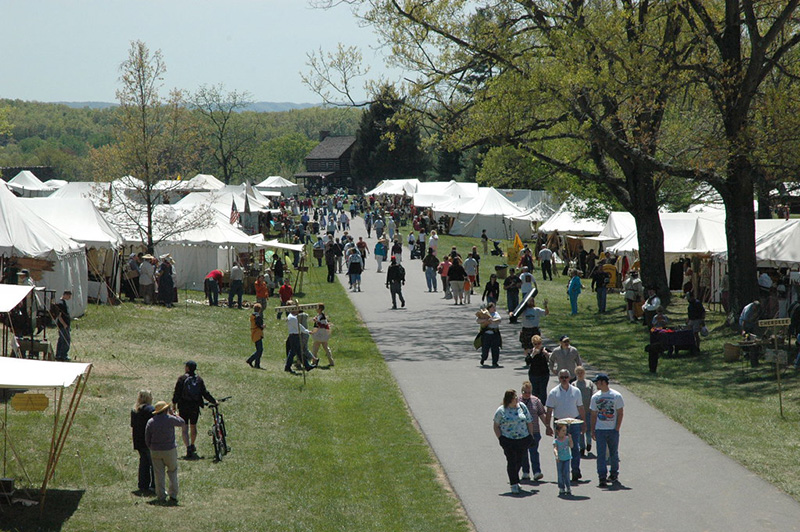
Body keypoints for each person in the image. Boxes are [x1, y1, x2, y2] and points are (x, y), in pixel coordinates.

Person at [545, 369, 586, 483]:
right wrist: (547, 426)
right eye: (562, 377)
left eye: (566, 377)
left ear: (570, 377)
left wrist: (584, 423)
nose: (564, 379)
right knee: (561, 448)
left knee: (575, 447)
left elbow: (581, 407)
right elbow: (549, 410)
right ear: (558, 378)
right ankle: (563, 473)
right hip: (560, 423)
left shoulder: (576, 391)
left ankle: (575, 471)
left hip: (574, 422)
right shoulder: (553, 392)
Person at [492, 389, 534, 495]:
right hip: (508, 440)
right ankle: (513, 483)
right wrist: (500, 438)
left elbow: (529, 421)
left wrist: (531, 436)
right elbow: (496, 425)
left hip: (523, 439)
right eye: (514, 397)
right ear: (509, 399)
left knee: (519, 461)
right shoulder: (501, 410)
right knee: (511, 461)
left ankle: (515, 478)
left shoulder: (522, 407)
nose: (517, 398)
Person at [171, 361, 216, 459]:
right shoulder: (199, 380)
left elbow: (177, 393)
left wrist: (174, 404)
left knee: (184, 428)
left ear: (187, 368)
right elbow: (205, 393)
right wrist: (214, 401)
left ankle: (187, 447)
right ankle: (192, 444)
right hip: (194, 406)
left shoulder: (181, 379)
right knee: (193, 426)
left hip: (183, 406)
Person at [145, 401, 185, 505]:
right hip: (169, 450)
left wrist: (151, 447)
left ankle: (161, 495)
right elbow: (182, 422)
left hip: (155, 450)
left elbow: (147, 438)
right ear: (166, 410)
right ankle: (173, 494)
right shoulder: (170, 419)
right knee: (172, 471)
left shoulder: (151, 422)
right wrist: (174, 414)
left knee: (159, 474)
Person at [590, 373, 625, 486]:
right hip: (600, 429)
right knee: (601, 454)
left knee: (613, 453)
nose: (596, 384)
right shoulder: (595, 397)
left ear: (603, 382)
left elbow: (620, 413)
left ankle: (614, 473)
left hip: (612, 430)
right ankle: (602, 476)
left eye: (598, 382)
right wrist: (593, 429)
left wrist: (617, 428)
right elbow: (594, 414)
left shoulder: (616, 396)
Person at [519, 381, 552, 483]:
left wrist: (547, 426)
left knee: (534, 452)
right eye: (525, 392)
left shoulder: (536, 401)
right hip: (521, 432)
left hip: (535, 431)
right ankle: (525, 472)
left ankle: (537, 472)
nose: (527, 394)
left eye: (529, 392)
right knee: (523, 452)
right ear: (522, 391)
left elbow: (542, 414)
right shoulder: (517, 401)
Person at [131, 390, 155, 494]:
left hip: (138, 440)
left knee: (143, 462)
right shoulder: (150, 410)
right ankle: (154, 485)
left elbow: (132, 425)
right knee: (154, 464)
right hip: (148, 440)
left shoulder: (134, 410)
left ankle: (143, 485)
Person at [285, 302, 316, 374]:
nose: (298, 311)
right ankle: (288, 367)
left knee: (298, 352)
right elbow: (299, 327)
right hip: (294, 336)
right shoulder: (292, 318)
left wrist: (306, 331)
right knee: (294, 352)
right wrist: (307, 331)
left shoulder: (293, 317)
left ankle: (307, 366)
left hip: (295, 336)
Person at [574, 366, 596, 457]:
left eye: (581, 372)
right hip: (578, 411)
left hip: (588, 410)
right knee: (580, 430)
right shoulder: (574, 384)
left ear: (584, 373)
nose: (580, 374)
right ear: (575, 373)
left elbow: (594, 393)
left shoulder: (589, 383)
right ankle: (582, 447)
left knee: (588, 429)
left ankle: (589, 443)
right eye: (578, 372)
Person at [527, 335, 551, 405]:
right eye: (535, 344)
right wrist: (533, 354)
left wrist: (546, 354)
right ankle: (535, 407)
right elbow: (527, 361)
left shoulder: (544, 350)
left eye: (539, 343)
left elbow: (553, 358)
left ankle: (542, 407)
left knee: (543, 391)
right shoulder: (532, 351)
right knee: (535, 392)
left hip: (544, 374)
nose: (537, 345)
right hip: (533, 375)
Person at [477, 302, 502, 366]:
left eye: (494, 307)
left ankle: (495, 362)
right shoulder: (484, 314)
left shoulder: (496, 314)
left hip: (494, 334)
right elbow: (478, 320)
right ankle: (483, 358)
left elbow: (499, 319)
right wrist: (485, 320)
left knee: (495, 349)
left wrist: (492, 320)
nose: (494, 308)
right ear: (489, 308)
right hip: (486, 335)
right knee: (485, 349)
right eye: (493, 307)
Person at [553, 421, 573, 496]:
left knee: (566, 473)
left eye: (565, 430)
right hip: (559, 459)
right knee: (560, 473)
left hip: (567, 458)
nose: (565, 432)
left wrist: (570, 439)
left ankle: (568, 486)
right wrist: (556, 455)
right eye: (563, 431)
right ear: (558, 431)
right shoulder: (556, 441)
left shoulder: (567, 439)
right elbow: (555, 448)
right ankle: (561, 487)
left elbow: (571, 446)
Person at [54, 290, 72, 362]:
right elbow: (59, 316)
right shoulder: (61, 303)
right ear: (65, 295)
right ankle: (63, 355)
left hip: (63, 325)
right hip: (63, 325)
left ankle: (59, 355)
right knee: (65, 340)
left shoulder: (62, 302)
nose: (69, 298)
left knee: (61, 340)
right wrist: (64, 324)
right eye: (69, 296)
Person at [246, 303, 265, 368]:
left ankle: (257, 364)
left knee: (259, 349)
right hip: (257, 333)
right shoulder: (257, 316)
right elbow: (259, 324)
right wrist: (263, 326)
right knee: (260, 350)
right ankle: (250, 360)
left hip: (254, 333)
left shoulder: (252, 315)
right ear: (259, 310)